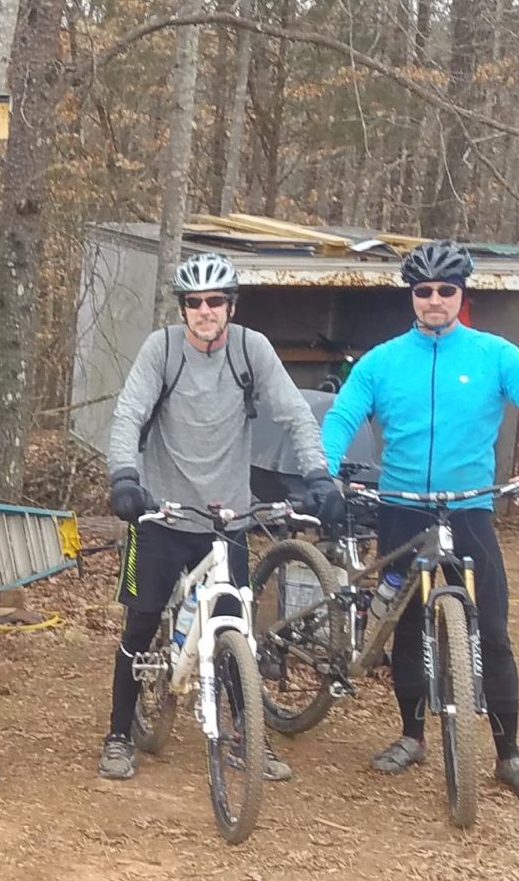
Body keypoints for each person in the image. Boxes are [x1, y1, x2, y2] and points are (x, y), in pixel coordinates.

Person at [322, 240, 519, 801]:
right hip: (401, 507)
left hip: (469, 509)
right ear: (412, 297)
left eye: (445, 291)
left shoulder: (494, 355)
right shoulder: (384, 360)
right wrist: (326, 464)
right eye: (423, 291)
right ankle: (412, 736)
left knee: (494, 631)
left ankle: (508, 756)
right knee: (404, 626)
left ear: (462, 294)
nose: (434, 300)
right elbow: (342, 415)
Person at [102, 252, 344, 782]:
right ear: (184, 308)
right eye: (195, 302)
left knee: (233, 625)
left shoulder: (250, 350)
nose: (205, 310)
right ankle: (119, 734)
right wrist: (124, 475)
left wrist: (318, 474)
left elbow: (294, 413)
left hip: (226, 519)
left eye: (215, 301)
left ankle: (242, 736)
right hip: (161, 515)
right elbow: (129, 414)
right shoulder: (162, 349)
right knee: (140, 623)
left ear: (230, 306)